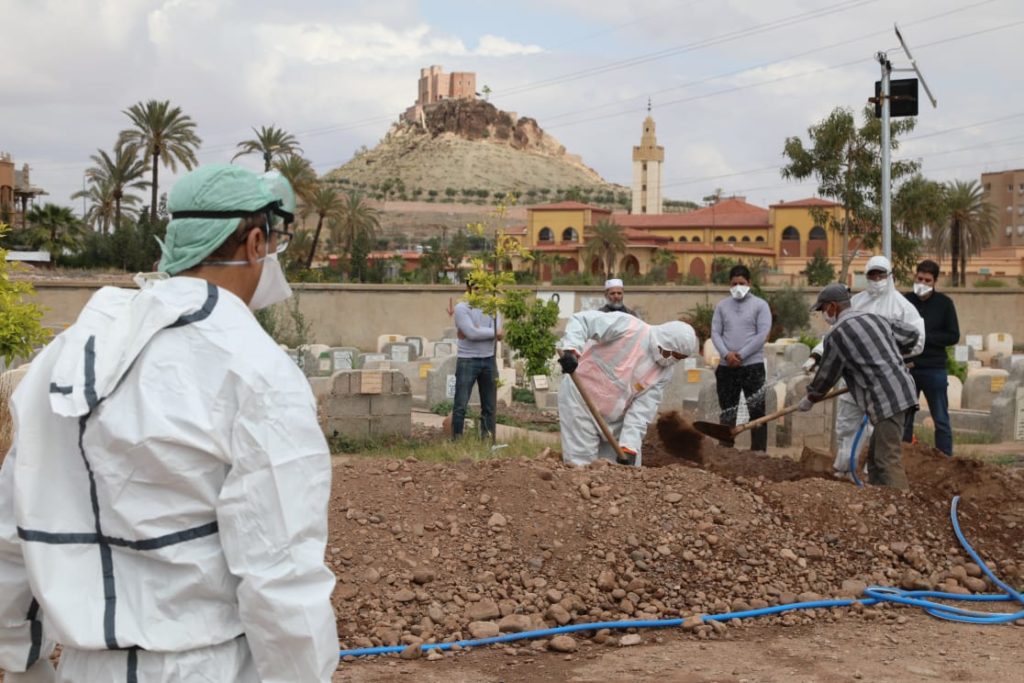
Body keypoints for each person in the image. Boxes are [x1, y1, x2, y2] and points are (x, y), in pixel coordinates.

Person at [0, 165, 338, 682]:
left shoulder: (69, 355)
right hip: (205, 667)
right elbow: (282, 577)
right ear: (254, 243)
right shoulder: (254, 369)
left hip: (86, 671)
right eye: (277, 242)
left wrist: (22, 664)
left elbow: (11, 533)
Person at [803, 255, 924, 478]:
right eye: (872, 274)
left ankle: (896, 502)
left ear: (832, 306)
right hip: (882, 388)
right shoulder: (865, 311)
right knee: (856, 434)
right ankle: (849, 475)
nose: (824, 315)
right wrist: (816, 355)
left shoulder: (901, 306)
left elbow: (828, 374)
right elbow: (908, 335)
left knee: (886, 459)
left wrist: (810, 398)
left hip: (887, 396)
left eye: (823, 310)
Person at [556, 311, 698, 467]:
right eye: (671, 354)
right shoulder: (629, 327)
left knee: (626, 469)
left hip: (615, 419)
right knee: (581, 463)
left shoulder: (664, 372)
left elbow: (642, 409)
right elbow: (582, 321)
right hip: (580, 401)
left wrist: (629, 446)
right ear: (663, 342)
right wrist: (571, 350)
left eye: (678, 358)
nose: (672, 360)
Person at [711, 264, 773, 450]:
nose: (738, 286)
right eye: (734, 283)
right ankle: (725, 448)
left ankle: (759, 451)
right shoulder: (722, 306)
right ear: (729, 284)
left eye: (742, 283)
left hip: (752, 366)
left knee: (757, 411)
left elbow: (762, 334)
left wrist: (741, 354)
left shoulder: (760, 305)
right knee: (728, 410)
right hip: (726, 366)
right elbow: (715, 333)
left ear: (749, 283)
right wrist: (726, 354)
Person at [903, 259, 960, 456]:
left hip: (934, 369)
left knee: (941, 418)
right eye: (920, 278)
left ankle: (945, 458)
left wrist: (926, 337)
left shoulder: (945, 304)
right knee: (905, 418)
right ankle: (904, 457)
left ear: (935, 281)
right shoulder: (905, 301)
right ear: (915, 276)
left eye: (927, 280)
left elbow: (953, 335)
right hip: (908, 368)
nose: (923, 283)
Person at [452, 281, 503, 440]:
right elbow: (472, 333)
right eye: (476, 288)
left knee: (489, 405)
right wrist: (490, 332)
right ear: (469, 289)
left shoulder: (493, 307)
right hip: (467, 360)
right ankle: (457, 439)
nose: (480, 291)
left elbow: (499, 333)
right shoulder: (462, 308)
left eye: (483, 287)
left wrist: (476, 330)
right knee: (461, 404)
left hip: (489, 359)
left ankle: (487, 439)